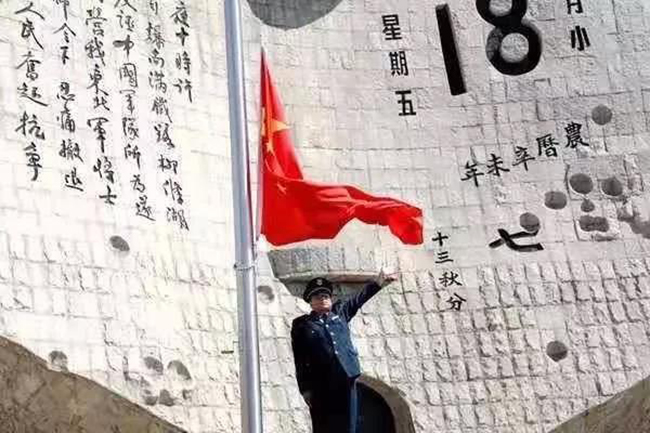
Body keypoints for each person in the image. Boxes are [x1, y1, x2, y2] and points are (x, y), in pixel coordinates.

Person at [290, 270, 397, 433]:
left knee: (348, 426)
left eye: (326, 296)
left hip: (346, 378)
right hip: (321, 384)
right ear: (310, 302)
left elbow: (359, 299)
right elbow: (300, 359)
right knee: (324, 427)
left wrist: (379, 282)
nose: (322, 299)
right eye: (317, 296)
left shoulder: (340, 313)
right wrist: (305, 389)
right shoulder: (302, 325)